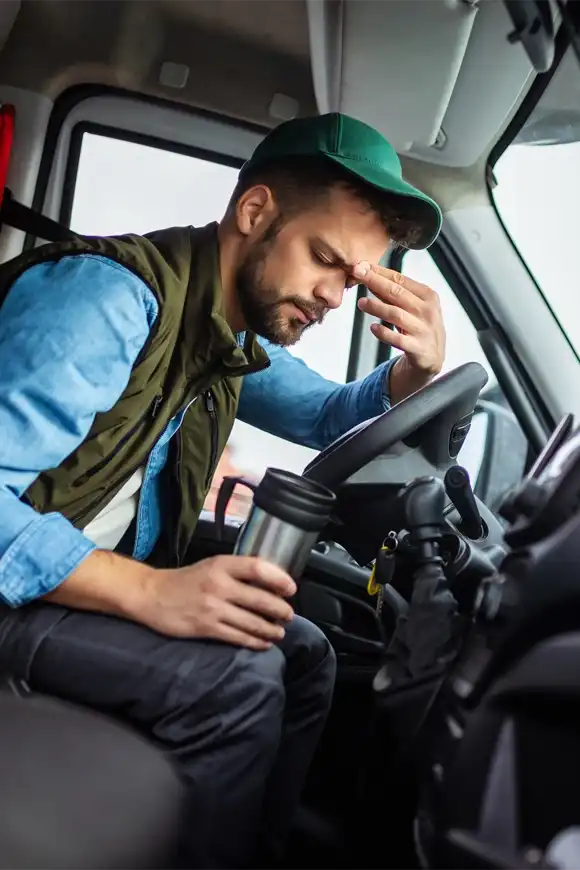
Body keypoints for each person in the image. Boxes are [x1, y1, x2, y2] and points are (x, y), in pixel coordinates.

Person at [0, 112, 444, 869]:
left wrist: (416, 373)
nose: (335, 296)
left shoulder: (227, 336)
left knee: (301, 653)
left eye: (353, 279)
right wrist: (148, 592)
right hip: (14, 597)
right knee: (237, 683)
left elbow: (329, 412)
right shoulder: (106, 304)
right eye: (325, 260)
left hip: (60, 593)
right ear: (255, 211)